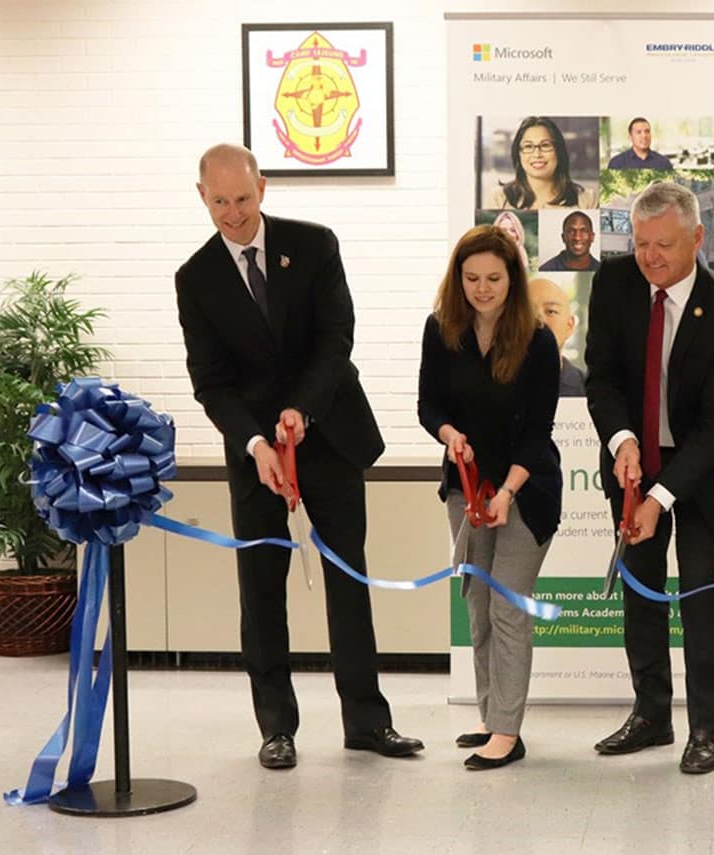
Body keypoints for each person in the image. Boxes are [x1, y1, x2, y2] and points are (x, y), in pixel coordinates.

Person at [175, 143, 423, 770]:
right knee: (261, 594)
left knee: (349, 582)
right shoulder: (195, 279)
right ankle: (276, 728)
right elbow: (210, 381)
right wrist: (258, 442)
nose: (233, 214)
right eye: (220, 201)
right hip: (256, 457)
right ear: (201, 195)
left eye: (244, 198)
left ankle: (367, 722)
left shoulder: (313, 246)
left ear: (264, 187)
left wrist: (301, 411)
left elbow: (336, 335)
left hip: (329, 438)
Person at [584, 181, 714, 775]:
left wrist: (661, 495)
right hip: (634, 461)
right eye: (641, 244)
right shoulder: (613, 284)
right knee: (641, 590)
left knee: (700, 591)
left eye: (664, 245)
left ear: (697, 238)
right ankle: (651, 714)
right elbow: (600, 378)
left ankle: (705, 727)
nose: (650, 257)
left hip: (701, 473)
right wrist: (621, 439)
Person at [417, 225, 562, 771]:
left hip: (525, 488)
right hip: (465, 485)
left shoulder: (537, 339)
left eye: (494, 279)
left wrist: (505, 492)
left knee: (507, 608)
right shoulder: (441, 329)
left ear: (513, 279)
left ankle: (507, 731)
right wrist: (447, 433)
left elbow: (537, 433)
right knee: (477, 606)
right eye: (472, 278)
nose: (482, 289)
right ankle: (487, 714)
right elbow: (428, 403)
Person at [488, 116, 599, 210]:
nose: (537, 154)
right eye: (528, 146)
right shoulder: (499, 198)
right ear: (518, 153)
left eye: (545, 145)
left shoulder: (587, 200)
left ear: (558, 151)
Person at [529, 276, 586, 396]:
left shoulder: (591, 391)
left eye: (551, 311)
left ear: (569, 326)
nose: (539, 321)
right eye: (528, 312)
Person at [607, 117, 673, 170]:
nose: (644, 136)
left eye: (647, 131)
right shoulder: (616, 163)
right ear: (630, 137)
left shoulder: (664, 162)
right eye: (639, 132)